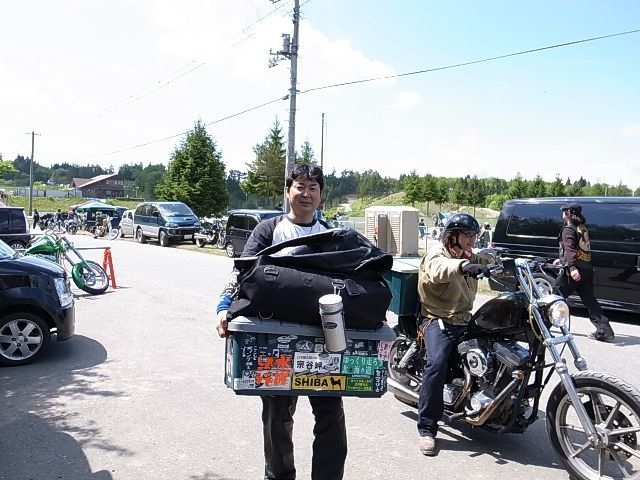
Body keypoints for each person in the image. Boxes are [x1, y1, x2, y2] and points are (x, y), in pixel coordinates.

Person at [215, 164, 347, 480]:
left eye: (313, 188)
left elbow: (347, 281)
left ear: (321, 195)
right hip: (276, 338)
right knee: (277, 415)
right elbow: (241, 272)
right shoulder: (268, 230)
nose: (306, 193)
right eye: (300, 186)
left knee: (331, 414)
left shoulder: (329, 234)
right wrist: (224, 306)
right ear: (288, 191)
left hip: (322, 340)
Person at [415, 213, 491, 456]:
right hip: (437, 318)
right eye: (467, 235)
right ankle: (427, 427)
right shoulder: (437, 254)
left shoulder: (468, 255)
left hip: (464, 318)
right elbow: (439, 269)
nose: (472, 239)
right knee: (436, 364)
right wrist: (463, 266)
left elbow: (487, 259)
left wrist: (516, 261)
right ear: (453, 236)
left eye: (474, 235)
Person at [553, 203, 614, 342]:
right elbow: (579, 249)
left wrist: (572, 268)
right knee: (590, 301)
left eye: (564, 211)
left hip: (574, 271)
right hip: (587, 269)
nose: (562, 214)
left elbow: (570, 249)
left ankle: (542, 326)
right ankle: (604, 331)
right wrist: (561, 260)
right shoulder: (582, 228)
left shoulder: (568, 229)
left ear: (568, 213)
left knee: (554, 297)